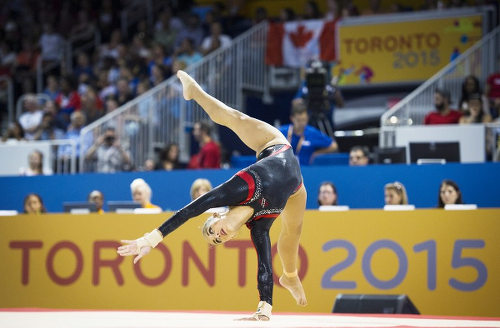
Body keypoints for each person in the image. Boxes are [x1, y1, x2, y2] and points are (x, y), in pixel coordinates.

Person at [118, 70, 308, 321]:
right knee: (292, 231)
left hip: (273, 145)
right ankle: (291, 276)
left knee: (236, 118)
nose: (218, 237)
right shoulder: (258, 228)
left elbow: (188, 211)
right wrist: (265, 308)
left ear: (217, 215)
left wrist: (150, 239)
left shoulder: (236, 190)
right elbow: (264, 266)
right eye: (218, 241)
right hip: (295, 188)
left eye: (211, 232)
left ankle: (195, 92)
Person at [279, 99, 338, 166]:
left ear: (307, 118)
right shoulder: (282, 131)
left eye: (304, 120)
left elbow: (333, 146)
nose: (301, 123)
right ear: (292, 118)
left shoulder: (312, 133)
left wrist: (316, 153)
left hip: (305, 171)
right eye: (298, 120)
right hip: (286, 171)